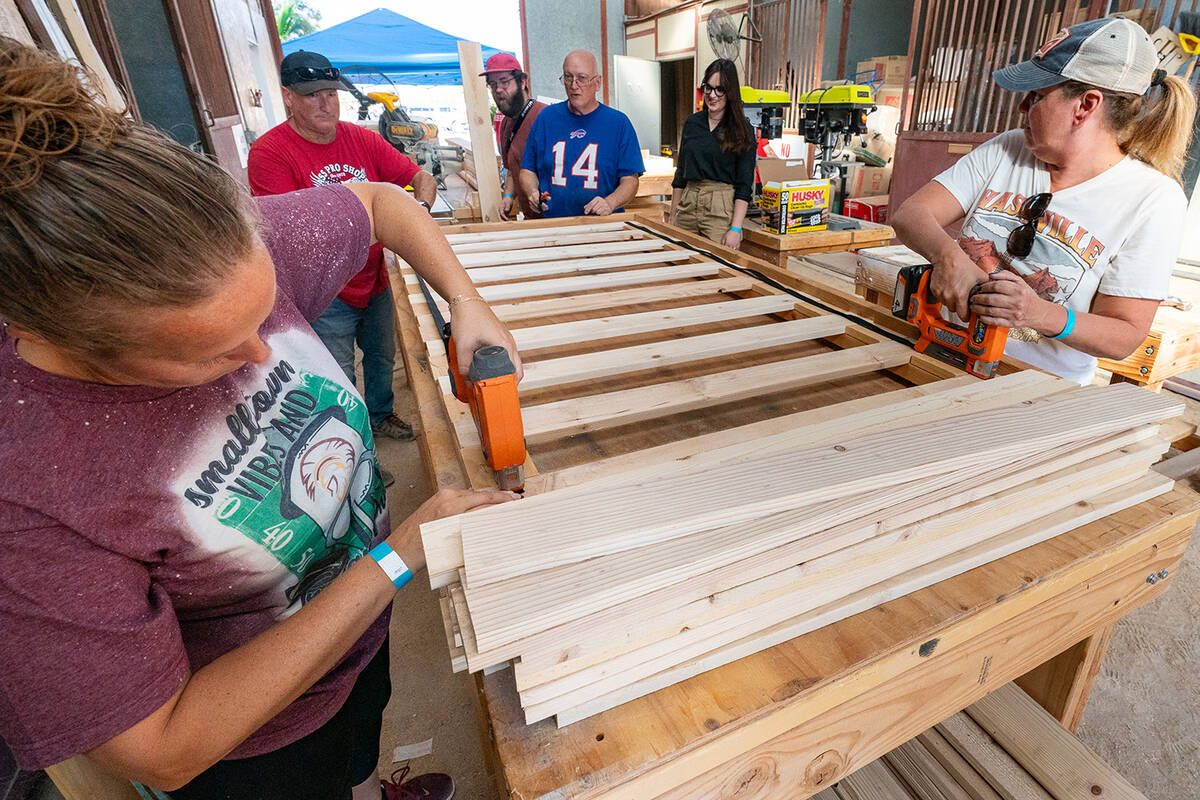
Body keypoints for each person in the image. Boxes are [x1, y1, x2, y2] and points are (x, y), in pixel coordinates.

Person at [0, 38, 522, 800]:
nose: (263, 350)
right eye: (214, 353)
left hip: (357, 635)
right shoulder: (27, 489)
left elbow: (381, 201)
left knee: (357, 746)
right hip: (257, 744)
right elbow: (164, 745)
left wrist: (468, 303)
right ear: (75, 344)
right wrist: (399, 554)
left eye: (265, 309)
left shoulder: (215, 256)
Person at [891, 17, 1195, 385]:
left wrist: (1037, 313)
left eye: (1036, 95)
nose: (1021, 107)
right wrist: (949, 256)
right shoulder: (1008, 148)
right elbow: (912, 214)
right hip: (946, 357)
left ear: (1085, 105)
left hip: (1039, 388)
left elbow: (1124, 336)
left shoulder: (1153, 199)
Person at [248, 50, 438, 452]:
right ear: (288, 96)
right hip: (327, 291)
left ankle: (381, 416)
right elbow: (291, 235)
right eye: (313, 94)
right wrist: (379, 221)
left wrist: (417, 212)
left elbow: (419, 176)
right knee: (337, 375)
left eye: (331, 93)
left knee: (382, 357)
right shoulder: (270, 153)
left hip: (374, 279)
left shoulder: (362, 139)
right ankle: (354, 451)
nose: (325, 103)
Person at [519, 50, 644, 218]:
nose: (573, 85)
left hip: (604, 228)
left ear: (597, 83)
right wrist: (532, 192)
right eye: (568, 77)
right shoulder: (546, 118)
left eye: (582, 78)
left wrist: (610, 202)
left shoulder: (618, 124)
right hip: (555, 226)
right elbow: (527, 169)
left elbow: (631, 180)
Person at [669, 59, 756, 249]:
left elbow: (744, 185)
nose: (712, 95)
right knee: (680, 261)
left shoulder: (742, 130)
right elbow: (680, 174)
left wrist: (736, 228)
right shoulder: (692, 124)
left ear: (730, 92)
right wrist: (673, 214)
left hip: (720, 208)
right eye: (708, 88)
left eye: (719, 89)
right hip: (688, 204)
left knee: (717, 267)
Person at [482, 53, 546, 220]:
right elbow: (511, 169)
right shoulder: (505, 124)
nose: (498, 90)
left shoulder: (545, 117)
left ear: (523, 81)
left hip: (554, 220)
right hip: (530, 220)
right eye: (493, 84)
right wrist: (508, 197)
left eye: (504, 82)